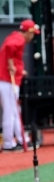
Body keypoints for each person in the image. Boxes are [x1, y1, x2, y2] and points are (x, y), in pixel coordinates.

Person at [0, 19, 38, 152]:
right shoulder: (19, 39)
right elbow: (10, 47)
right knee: (11, 112)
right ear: (29, 32)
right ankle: (8, 144)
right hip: (8, 81)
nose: (33, 37)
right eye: (33, 34)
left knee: (15, 111)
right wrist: (11, 65)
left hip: (8, 80)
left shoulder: (15, 36)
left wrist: (18, 68)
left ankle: (22, 140)